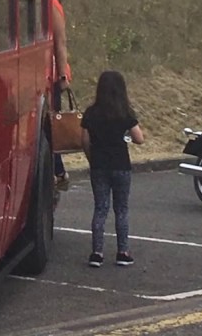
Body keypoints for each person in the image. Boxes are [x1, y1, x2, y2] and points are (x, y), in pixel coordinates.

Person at [80, 70, 143, 267]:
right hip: (120, 164)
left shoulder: (91, 113)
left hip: (99, 165)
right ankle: (122, 252)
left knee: (100, 208)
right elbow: (139, 138)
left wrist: (92, 158)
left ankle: (97, 253)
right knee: (121, 209)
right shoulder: (125, 112)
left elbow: (84, 140)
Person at [49, 0, 74, 189]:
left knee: (51, 124)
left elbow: (59, 43)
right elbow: (61, 42)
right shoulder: (52, 4)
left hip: (50, 74)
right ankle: (58, 170)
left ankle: (57, 169)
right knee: (51, 124)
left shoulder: (49, 5)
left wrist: (62, 74)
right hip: (49, 74)